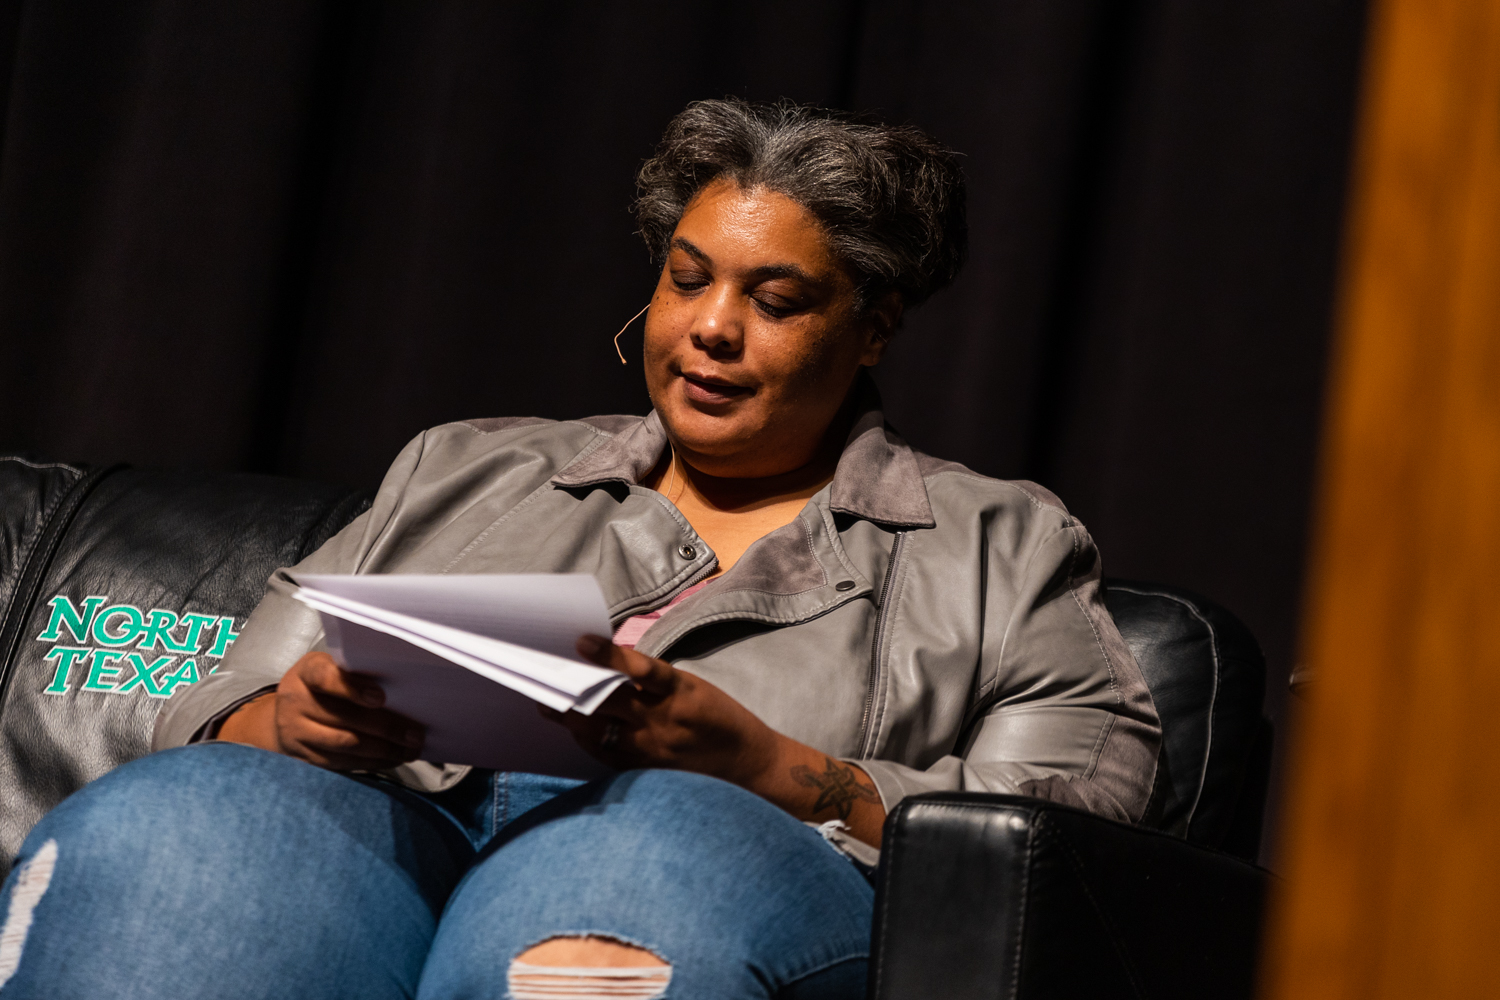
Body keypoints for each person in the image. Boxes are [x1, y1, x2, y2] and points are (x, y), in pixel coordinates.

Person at [0, 97, 1159, 999]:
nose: (710, 325)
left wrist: (765, 767)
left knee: (632, 846)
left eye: (778, 297)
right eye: (688, 278)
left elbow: (1075, 837)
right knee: (189, 822)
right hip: (384, 853)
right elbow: (223, 698)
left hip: (717, 878)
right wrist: (284, 720)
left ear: (876, 324)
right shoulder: (465, 466)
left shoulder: (999, 542)